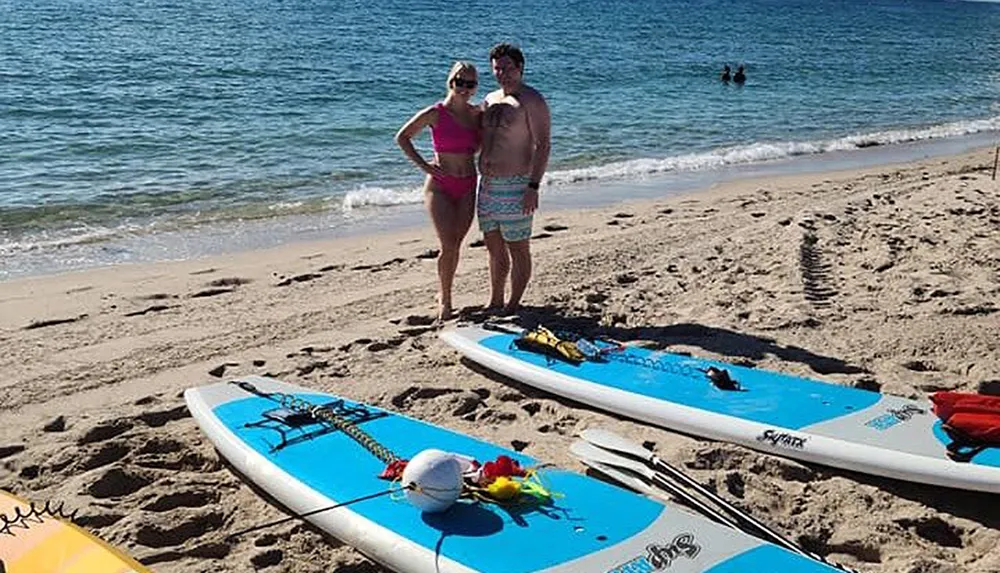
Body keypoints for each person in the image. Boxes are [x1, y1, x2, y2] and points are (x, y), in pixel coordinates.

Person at [396, 61, 482, 321]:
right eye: (460, 82)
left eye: (471, 84)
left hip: (467, 184)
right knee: (448, 244)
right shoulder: (436, 113)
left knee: (456, 244)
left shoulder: (477, 114)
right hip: (440, 187)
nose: (465, 88)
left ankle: (444, 292)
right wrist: (425, 167)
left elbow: (484, 143)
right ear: (451, 82)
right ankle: (445, 299)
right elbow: (402, 137)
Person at [478, 43, 551, 313]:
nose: (502, 73)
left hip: (516, 185)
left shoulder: (532, 100)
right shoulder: (490, 99)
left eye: (508, 67)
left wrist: (533, 186)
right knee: (494, 248)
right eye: (497, 68)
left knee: (518, 248)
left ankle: (513, 303)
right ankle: (495, 300)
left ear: (520, 68)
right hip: (486, 186)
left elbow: (543, 145)